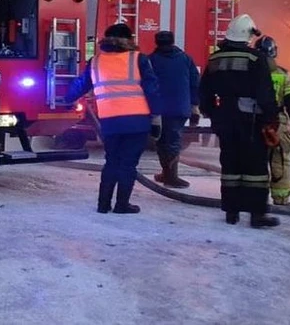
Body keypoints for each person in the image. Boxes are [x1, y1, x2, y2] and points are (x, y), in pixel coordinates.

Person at [66, 23, 159, 214]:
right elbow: (152, 90)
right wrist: (156, 118)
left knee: (112, 162)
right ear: (130, 40)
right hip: (137, 121)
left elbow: (81, 84)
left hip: (110, 121)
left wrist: (66, 98)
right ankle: (122, 204)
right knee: (128, 164)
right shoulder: (138, 59)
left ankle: (103, 204)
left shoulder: (96, 61)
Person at [199, 14, 280, 228]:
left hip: (225, 118)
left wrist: (213, 115)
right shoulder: (255, 58)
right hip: (251, 120)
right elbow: (265, 92)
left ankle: (231, 211)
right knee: (255, 168)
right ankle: (257, 214)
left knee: (230, 164)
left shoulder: (215, 59)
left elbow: (204, 92)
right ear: (247, 34)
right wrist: (272, 118)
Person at [255, 36, 290, 206]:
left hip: (253, 122)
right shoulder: (283, 75)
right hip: (277, 123)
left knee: (255, 163)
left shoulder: (249, 73)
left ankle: (256, 199)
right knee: (280, 161)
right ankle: (281, 199)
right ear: (274, 53)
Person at [148, 30, 199, 189]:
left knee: (163, 142)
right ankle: (169, 174)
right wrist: (195, 107)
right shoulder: (185, 59)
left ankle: (170, 176)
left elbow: (148, 85)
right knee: (171, 141)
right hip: (179, 108)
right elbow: (195, 83)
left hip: (159, 110)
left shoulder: (151, 60)